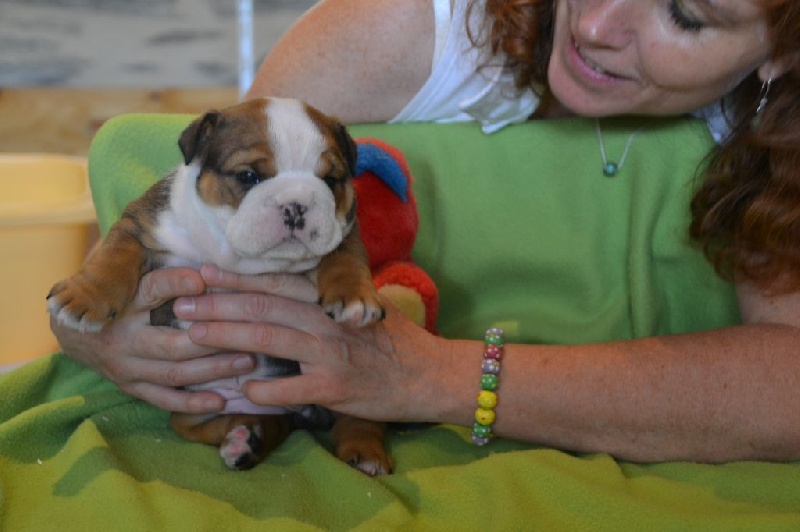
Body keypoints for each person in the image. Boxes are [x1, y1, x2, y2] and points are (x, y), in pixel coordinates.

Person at [52, 0, 800, 463]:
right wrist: (96, 331)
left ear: (785, 48)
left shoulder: (781, 133)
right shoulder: (400, 28)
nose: (597, 23)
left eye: (685, 14)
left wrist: (434, 375)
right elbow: (237, 217)